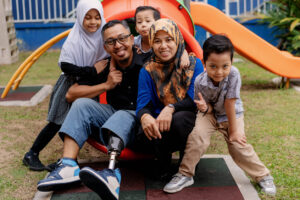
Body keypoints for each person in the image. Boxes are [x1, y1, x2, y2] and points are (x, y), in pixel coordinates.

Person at [36, 20, 146, 200]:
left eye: (122, 38)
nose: (117, 45)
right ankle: (68, 166)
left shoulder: (148, 62)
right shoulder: (106, 66)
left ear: (132, 39)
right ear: (105, 46)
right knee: (81, 104)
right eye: (111, 42)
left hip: (141, 124)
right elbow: (71, 94)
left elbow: (171, 50)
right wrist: (106, 85)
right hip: (113, 119)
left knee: (124, 114)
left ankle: (111, 174)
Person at [163, 34, 276, 196]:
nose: (219, 72)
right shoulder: (200, 81)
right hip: (210, 114)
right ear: (205, 64)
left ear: (231, 63)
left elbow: (229, 103)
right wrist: (204, 107)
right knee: (197, 137)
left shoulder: (234, 75)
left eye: (225, 66)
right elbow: (207, 108)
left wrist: (234, 131)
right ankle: (185, 174)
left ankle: (263, 176)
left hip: (231, 114)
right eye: (213, 66)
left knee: (237, 145)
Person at [22, 0, 108, 171]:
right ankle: (32, 154)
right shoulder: (75, 38)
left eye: (97, 17)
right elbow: (66, 66)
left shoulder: (103, 35)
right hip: (69, 83)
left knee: (78, 121)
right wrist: (92, 70)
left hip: (88, 85)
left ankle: (70, 159)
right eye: (88, 17)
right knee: (57, 122)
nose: (93, 22)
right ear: (80, 17)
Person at [133, 18, 204, 179]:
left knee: (179, 120)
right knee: (141, 132)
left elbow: (194, 99)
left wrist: (170, 108)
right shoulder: (147, 69)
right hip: (160, 125)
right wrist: (145, 116)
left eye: (169, 39)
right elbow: (143, 103)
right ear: (151, 43)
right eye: (157, 41)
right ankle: (162, 160)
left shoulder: (194, 64)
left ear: (177, 39)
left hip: (186, 118)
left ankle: (188, 161)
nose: (163, 46)